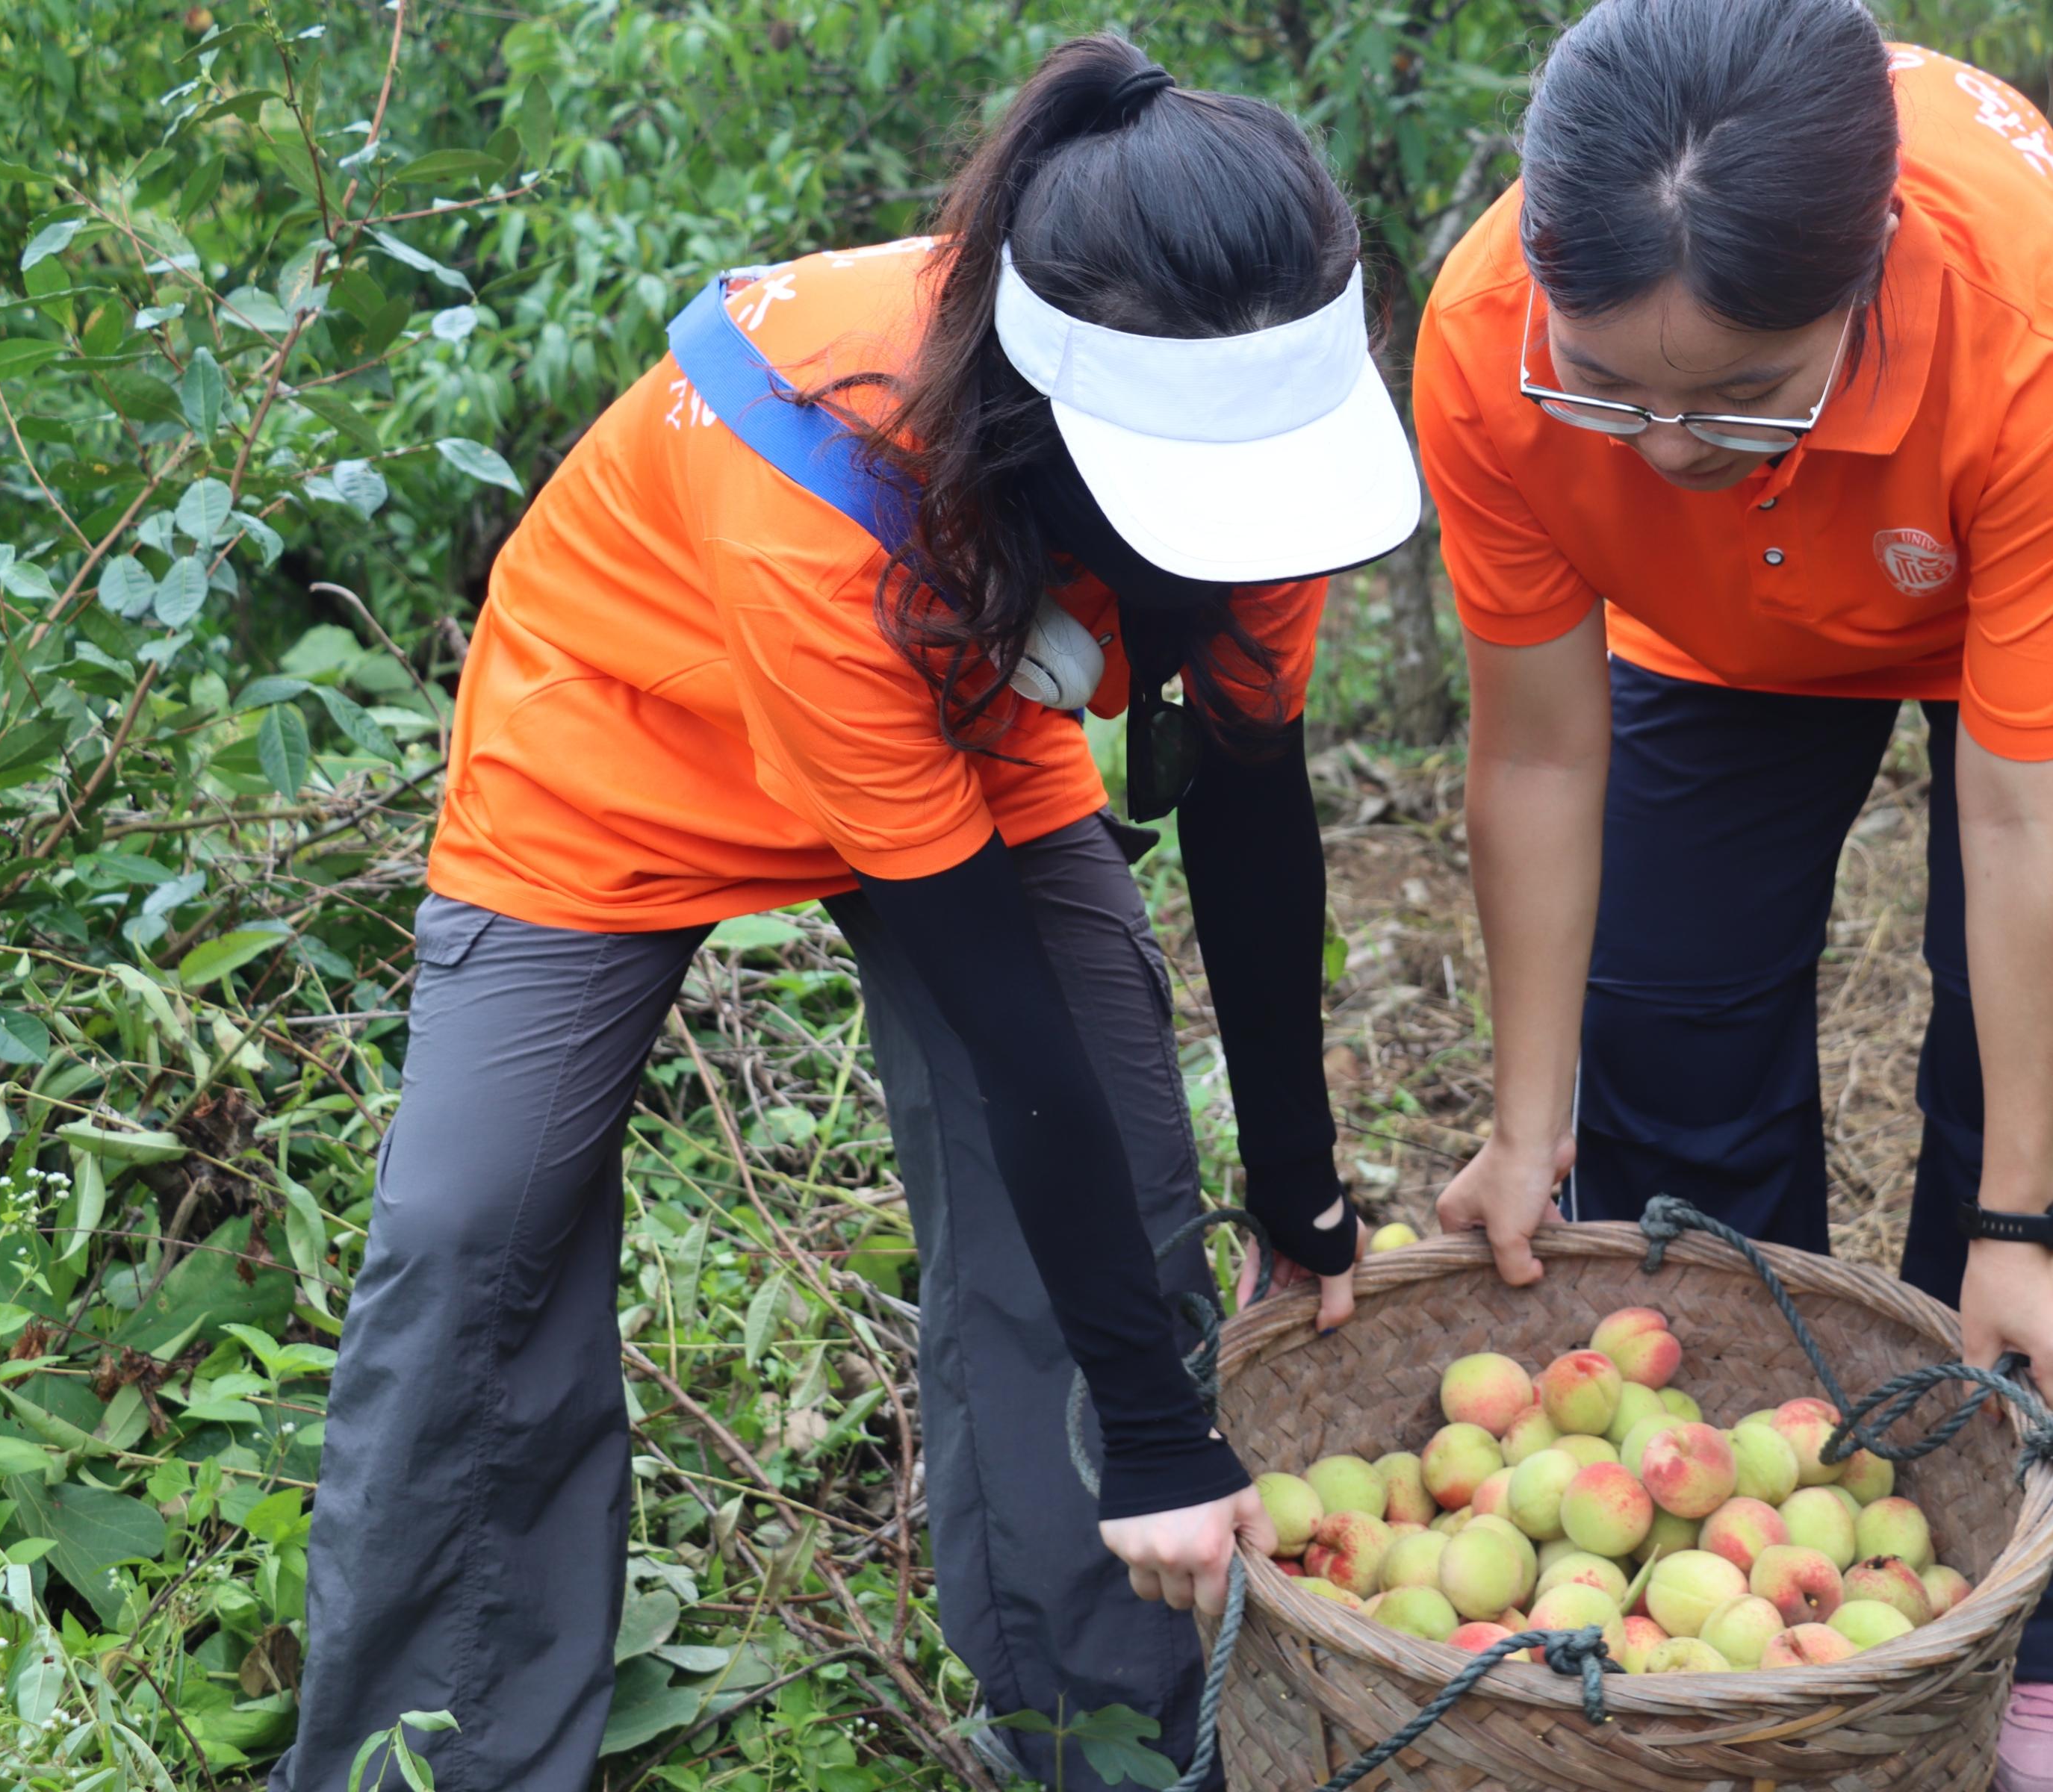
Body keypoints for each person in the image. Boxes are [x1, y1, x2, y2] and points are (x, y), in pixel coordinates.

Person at [270, 37, 1422, 1792]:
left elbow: (1252, 815)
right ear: (1047, 416)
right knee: (471, 1232)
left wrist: (1305, 1194)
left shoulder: (1258, 453)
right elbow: (991, 1007)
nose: (1247, 538)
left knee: (1118, 1172)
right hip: (628, 734)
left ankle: (1106, 1731)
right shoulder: (822, 458)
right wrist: (1152, 1425)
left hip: (966, 690)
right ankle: (435, 1759)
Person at [1414, 3, 2053, 1788]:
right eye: (1608, 382)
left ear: (1868, 272)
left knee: (2044, 1079)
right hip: (1724, 601)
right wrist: (1527, 1124)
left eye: (1739, 385)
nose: (1662, 439)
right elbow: (1543, 756)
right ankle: (1718, 1538)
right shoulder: (1493, 345)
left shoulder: (2023, 340)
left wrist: (2018, 1220)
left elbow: (2021, 820)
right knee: (1668, 1020)